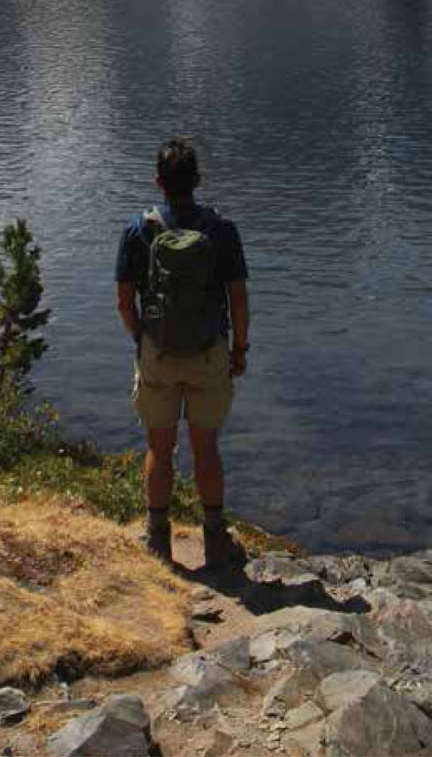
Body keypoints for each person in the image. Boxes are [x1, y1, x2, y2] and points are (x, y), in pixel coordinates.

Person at [115, 135, 250, 569]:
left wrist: (142, 339)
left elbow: (123, 300)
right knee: (206, 446)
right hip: (209, 351)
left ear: (158, 182)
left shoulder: (138, 230)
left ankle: (158, 542)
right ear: (197, 180)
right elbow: (238, 299)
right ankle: (215, 542)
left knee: (160, 446)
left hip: (158, 353)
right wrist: (239, 349)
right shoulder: (221, 229)